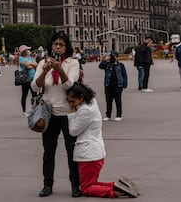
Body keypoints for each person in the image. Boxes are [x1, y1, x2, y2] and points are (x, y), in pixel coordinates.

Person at [66, 82, 140, 198]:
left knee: (86, 188)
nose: (71, 104)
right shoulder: (92, 103)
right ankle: (117, 186)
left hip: (88, 154)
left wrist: (71, 111)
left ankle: (115, 192)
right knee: (91, 183)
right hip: (94, 153)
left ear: (81, 97)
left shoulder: (85, 111)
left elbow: (73, 131)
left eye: (72, 101)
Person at [31, 31, 81, 198]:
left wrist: (59, 69)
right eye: (55, 44)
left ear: (66, 47)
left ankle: (75, 184)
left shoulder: (72, 63)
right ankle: (47, 184)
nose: (58, 47)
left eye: (61, 44)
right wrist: (45, 71)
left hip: (67, 114)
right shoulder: (42, 63)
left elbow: (70, 86)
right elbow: (34, 87)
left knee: (71, 150)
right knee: (48, 152)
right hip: (48, 114)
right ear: (50, 46)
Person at [99, 52, 128, 121]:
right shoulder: (107, 64)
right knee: (108, 101)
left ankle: (119, 115)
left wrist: (124, 84)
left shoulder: (120, 65)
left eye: (113, 56)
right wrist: (105, 59)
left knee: (118, 101)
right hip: (108, 85)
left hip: (118, 85)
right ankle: (108, 115)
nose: (112, 58)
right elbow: (100, 66)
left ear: (117, 57)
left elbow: (124, 75)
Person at [18, 44, 37, 117]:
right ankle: (24, 111)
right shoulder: (21, 58)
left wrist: (30, 64)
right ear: (24, 51)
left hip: (33, 78)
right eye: (27, 50)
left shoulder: (30, 58)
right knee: (24, 95)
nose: (29, 51)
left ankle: (34, 110)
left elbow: (36, 64)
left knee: (34, 95)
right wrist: (32, 64)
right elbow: (27, 67)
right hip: (26, 78)